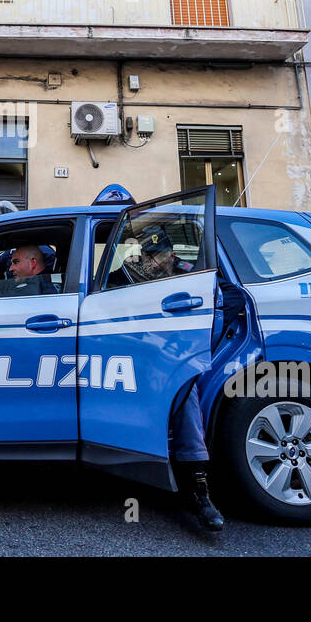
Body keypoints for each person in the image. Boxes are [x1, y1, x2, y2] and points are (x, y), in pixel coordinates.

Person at [109, 223, 224, 531]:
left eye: (158, 255)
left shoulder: (191, 273)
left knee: (184, 389)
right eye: (148, 254)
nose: (153, 261)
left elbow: (216, 311)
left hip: (175, 355)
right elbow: (103, 293)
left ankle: (198, 487)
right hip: (131, 348)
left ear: (172, 254)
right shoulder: (131, 271)